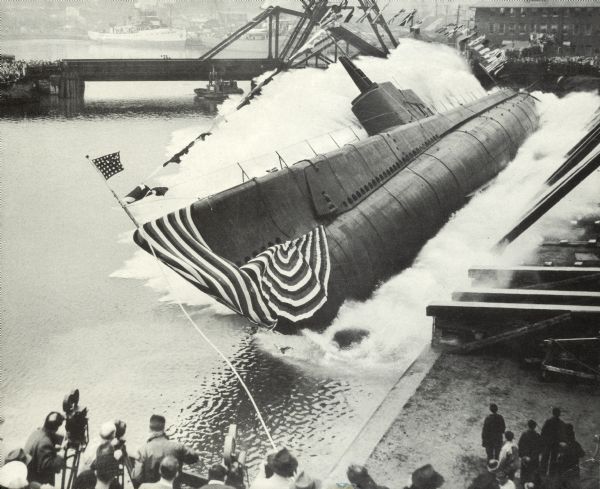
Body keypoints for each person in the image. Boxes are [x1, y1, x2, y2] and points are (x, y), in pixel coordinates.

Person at [132, 415, 200, 485]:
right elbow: (194, 458)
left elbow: (137, 477)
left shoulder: (143, 450)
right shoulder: (177, 447)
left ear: (150, 429)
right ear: (163, 428)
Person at [24, 412, 65, 485]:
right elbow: (49, 467)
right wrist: (61, 455)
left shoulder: (36, 433)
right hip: (37, 482)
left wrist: (54, 450)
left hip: (29, 475)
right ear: (56, 428)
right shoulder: (46, 442)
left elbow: (38, 451)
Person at [541, 407, 566, 475]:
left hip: (548, 443)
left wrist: (543, 441)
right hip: (556, 444)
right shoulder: (561, 423)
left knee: (545, 458)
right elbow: (563, 435)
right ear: (559, 414)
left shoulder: (548, 421)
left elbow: (543, 432)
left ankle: (542, 472)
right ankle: (551, 473)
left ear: (553, 413)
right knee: (553, 459)